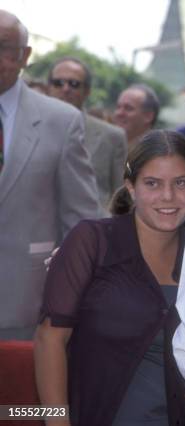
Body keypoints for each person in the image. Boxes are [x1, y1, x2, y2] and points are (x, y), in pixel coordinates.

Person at [34, 130, 185, 426]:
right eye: (152, 183)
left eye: (180, 183)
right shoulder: (92, 241)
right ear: (131, 187)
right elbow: (49, 339)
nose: (167, 196)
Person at [0, 10, 101, 340]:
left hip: (27, 308)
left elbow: (81, 223)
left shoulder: (61, 121)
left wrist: (71, 300)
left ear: (24, 55)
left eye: (3, 47)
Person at [47, 56, 128, 209]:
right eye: (58, 83)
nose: (65, 89)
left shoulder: (112, 137)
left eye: (74, 84)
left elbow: (121, 195)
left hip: (93, 227)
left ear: (87, 91)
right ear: (48, 88)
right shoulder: (28, 128)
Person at [114, 83, 159, 148]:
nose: (119, 113)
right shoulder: (109, 145)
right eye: (118, 107)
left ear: (148, 116)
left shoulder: (158, 153)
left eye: (128, 108)